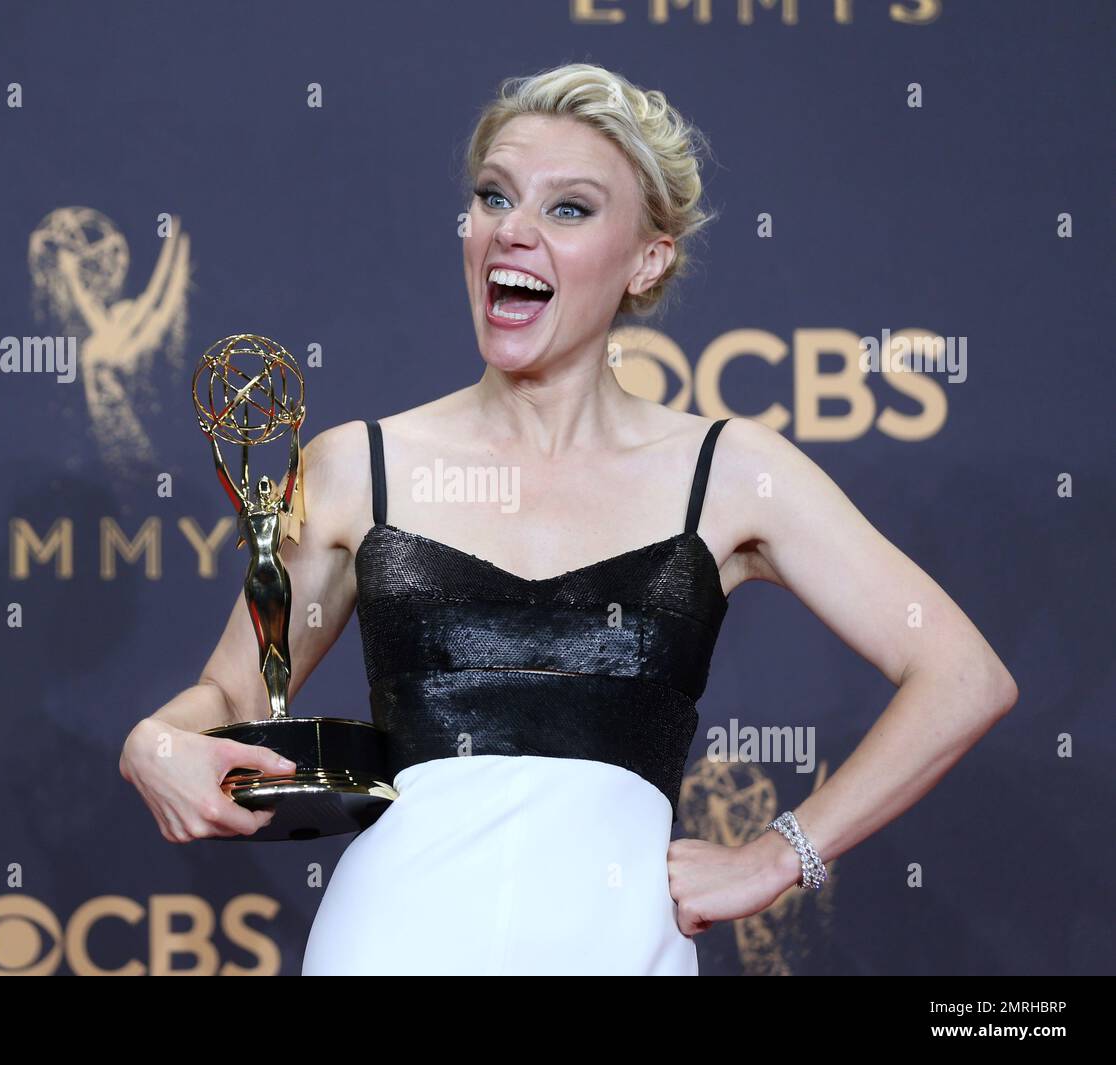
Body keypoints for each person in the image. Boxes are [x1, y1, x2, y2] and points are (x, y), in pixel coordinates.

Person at [119, 62, 1018, 975]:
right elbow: (234, 697)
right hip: (388, 943)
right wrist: (153, 742)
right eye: (494, 196)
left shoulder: (730, 472)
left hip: (623, 950)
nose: (513, 230)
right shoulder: (357, 465)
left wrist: (783, 851)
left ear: (648, 257)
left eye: (570, 208)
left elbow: (960, 675)